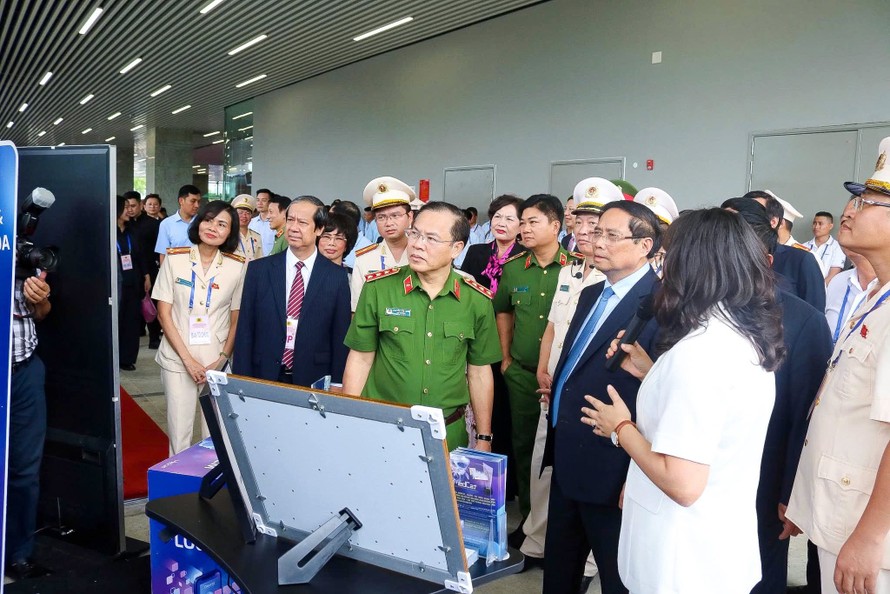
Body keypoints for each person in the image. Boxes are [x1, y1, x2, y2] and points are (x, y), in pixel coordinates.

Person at [584, 207, 784, 594]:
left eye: (666, 258)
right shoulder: (739, 336)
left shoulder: (699, 354)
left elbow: (683, 483)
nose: (662, 271)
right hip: (713, 548)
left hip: (681, 561)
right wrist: (650, 373)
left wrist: (620, 428)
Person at [539, 200, 662, 594]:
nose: (597, 242)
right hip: (569, 454)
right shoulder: (593, 293)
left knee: (616, 575)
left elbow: (662, 396)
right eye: (595, 233)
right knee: (559, 570)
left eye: (611, 235)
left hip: (614, 467)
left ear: (644, 246)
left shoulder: (662, 304)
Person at [787, 136, 890, 594]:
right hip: (842, 511)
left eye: (868, 201)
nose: (850, 209)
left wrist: (870, 539)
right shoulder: (873, 297)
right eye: (855, 198)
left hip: (868, 533)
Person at [722, 199, 833, 594]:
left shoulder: (803, 321)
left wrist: (790, 492)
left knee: (758, 576)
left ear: (764, 258)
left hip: (765, 483)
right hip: (701, 480)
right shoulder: (695, 310)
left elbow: (805, 415)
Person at [343, 201, 502, 449]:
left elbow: (480, 372)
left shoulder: (476, 300)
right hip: (382, 429)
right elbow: (360, 359)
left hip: (448, 434)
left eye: (431, 238)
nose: (417, 244)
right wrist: (348, 422)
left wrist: (483, 436)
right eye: (415, 233)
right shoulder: (378, 289)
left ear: (456, 248)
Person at [521, 178, 618, 584]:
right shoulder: (569, 271)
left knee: (587, 479)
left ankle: (590, 560)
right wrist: (547, 370)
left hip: (592, 398)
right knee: (543, 466)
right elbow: (551, 330)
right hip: (556, 389)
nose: (584, 231)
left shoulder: (614, 280)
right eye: (579, 221)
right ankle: (536, 540)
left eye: (594, 225)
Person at [494, 193, 573, 523]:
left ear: (555, 226)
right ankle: (529, 523)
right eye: (521, 222)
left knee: (562, 453)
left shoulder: (577, 269)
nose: (523, 228)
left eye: (531, 222)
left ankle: (557, 525)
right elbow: (503, 312)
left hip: (564, 377)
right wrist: (506, 359)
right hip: (523, 373)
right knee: (525, 448)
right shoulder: (513, 269)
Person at [153, 200, 246, 455]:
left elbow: (236, 317)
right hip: (177, 356)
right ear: (198, 222)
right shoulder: (175, 260)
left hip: (216, 360)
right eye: (208, 220)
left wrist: (223, 358)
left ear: (230, 232)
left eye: (222, 224)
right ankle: (177, 491)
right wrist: (188, 360)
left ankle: (212, 492)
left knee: (214, 436)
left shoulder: (237, 266)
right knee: (179, 434)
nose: (213, 227)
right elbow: (164, 313)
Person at [234, 196, 351, 387]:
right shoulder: (259, 270)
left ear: (319, 229)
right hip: (263, 374)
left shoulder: (336, 276)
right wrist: (241, 381)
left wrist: (337, 384)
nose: (294, 227)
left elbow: (340, 336)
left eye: (303, 222)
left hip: (313, 377)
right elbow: (246, 329)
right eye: (290, 220)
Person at [7, 270, 52, 580]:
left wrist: (41, 298)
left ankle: (19, 554)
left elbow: (43, 313)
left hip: (24, 372)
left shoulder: (22, 254)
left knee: (25, 470)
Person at [744, 191, 826, 312]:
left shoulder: (803, 258)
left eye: (756, 213)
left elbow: (815, 310)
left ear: (776, 222)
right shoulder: (734, 255)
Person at [351, 176, 414, 311]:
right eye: (381, 217)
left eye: (395, 215)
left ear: (410, 217)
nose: (388, 223)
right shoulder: (364, 259)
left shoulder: (422, 253)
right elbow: (356, 310)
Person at [116, 195, 152, 370]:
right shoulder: (108, 230)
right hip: (116, 285)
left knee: (131, 322)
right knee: (117, 321)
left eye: (131, 207)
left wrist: (146, 276)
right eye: (124, 207)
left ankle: (127, 358)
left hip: (133, 282)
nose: (129, 210)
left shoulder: (133, 230)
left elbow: (140, 255)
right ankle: (113, 357)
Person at [124, 190, 162, 347]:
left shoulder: (154, 224)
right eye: (127, 206)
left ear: (141, 205)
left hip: (150, 269)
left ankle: (154, 337)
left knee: (152, 302)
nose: (130, 209)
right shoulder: (124, 225)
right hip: (131, 269)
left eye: (133, 205)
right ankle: (138, 329)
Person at [155, 184, 202, 265]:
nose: (197, 205)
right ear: (181, 201)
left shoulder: (203, 222)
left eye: (199, 202)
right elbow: (163, 254)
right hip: (176, 272)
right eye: (193, 201)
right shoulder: (166, 224)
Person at [803, 210, 846, 284]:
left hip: (825, 291)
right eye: (814, 223)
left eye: (820, 224)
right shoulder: (803, 246)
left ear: (830, 226)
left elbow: (834, 274)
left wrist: (819, 289)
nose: (816, 227)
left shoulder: (837, 247)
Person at [231, 194, 264, 261]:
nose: (244, 216)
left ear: (251, 216)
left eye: (248, 213)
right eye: (240, 213)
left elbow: (260, 259)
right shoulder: (229, 235)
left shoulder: (256, 236)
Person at [248, 188, 277, 255]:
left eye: (264, 200)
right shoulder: (251, 222)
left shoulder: (274, 223)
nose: (260, 203)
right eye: (258, 200)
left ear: (270, 203)